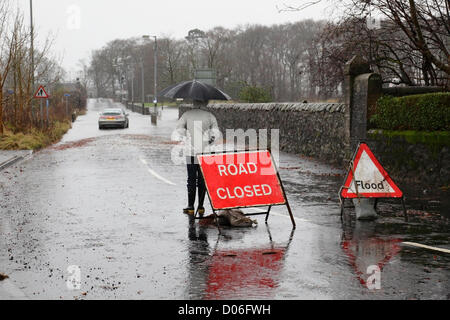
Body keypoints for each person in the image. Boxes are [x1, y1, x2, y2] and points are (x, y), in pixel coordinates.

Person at [175, 99, 220, 216]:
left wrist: (188, 135)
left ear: (193, 103)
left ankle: (190, 206)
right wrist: (210, 139)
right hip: (205, 153)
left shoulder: (186, 115)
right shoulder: (210, 116)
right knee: (201, 180)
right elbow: (216, 133)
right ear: (203, 103)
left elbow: (179, 129)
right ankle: (200, 206)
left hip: (191, 152)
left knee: (191, 179)